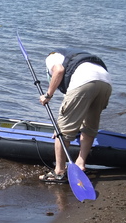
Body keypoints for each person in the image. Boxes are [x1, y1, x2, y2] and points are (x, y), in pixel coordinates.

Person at [38, 48, 112, 183]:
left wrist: (48, 95)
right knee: (90, 125)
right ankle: (80, 164)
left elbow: (59, 71)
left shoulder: (52, 57)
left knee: (63, 131)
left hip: (84, 80)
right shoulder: (76, 57)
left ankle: (59, 172)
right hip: (105, 82)